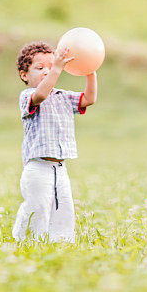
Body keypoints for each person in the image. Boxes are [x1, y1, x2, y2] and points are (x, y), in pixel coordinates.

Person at [11, 41, 97, 242]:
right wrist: (57, 68)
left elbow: (89, 99)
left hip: (59, 166)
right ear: (24, 75)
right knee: (38, 205)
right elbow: (41, 95)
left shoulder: (63, 96)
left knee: (63, 205)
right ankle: (27, 239)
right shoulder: (28, 96)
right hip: (37, 166)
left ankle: (62, 240)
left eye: (50, 67)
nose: (46, 72)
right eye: (40, 68)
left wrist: (90, 70)